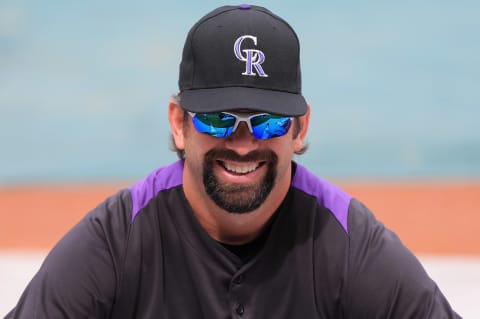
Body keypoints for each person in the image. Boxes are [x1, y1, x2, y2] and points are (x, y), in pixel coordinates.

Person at [5, 4, 461, 319]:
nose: (243, 145)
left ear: (300, 130)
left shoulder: (347, 242)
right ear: (178, 124)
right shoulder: (116, 241)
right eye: (219, 120)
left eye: (267, 123)